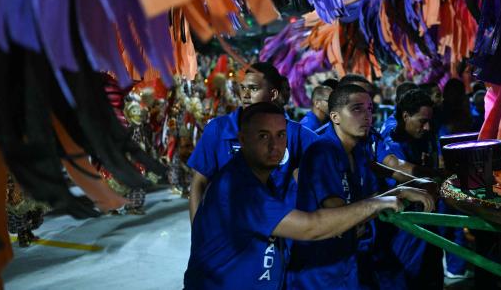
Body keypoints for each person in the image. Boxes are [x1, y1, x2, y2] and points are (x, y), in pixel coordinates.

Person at [184, 103, 428, 290]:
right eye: (262, 136)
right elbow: (311, 227)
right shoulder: (239, 187)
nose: (274, 145)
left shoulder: (267, 179)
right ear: (242, 139)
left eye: (280, 135)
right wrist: (380, 202)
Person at [288, 85, 436, 289]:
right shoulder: (322, 151)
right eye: (357, 109)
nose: (367, 116)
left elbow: (371, 197)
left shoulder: (359, 152)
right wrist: (395, 194)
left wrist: (403, 190)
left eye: (369, 109)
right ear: (335, 116)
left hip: (351, 265)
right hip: (320, 273)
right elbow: (340, 217)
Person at [187, 62, 317, 222]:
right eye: (243, 88)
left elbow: (326, 171)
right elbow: (198, 183)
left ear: (273, 94)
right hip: (231, 235)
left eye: (254, 88)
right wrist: (198, 234)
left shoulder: (297, 134)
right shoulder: (218, 129)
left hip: (281, 236)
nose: (245, 95)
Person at [376, 89, 445, 289]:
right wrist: (436, 177)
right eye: (422, 121)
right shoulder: (392, 136)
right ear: (405, 116)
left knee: (432, 271)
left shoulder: (423, 132)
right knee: (409, 277)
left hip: (426, 214)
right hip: (404, 222)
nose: (427, 126)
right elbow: (396, 169)